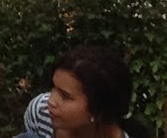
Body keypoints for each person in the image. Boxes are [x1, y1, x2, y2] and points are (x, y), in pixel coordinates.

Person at [17, 46, 148, 138]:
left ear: (98, 111)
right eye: (54, 87)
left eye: (65, 96)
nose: (51, 101)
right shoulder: (40, 111)